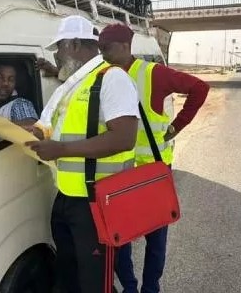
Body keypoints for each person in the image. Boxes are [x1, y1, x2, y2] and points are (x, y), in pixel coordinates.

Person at [26, 15, 140, 293]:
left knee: (94, 282)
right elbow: (47, 125)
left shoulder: (112, 78)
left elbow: (125, 137)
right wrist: (34, 133)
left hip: (96, 202)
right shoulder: (70, 84)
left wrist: (62, 149)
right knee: (69, 274)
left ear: (74, 43)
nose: (56, 54)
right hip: (67, 197)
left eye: (59, 48)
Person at [98, 23, 210, 293]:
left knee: (155, 238)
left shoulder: (153, 74)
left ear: (126, 46)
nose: (103, 55)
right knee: (118, 238)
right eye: (100, 49)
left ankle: (150, 288)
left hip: (151, 174)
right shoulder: (102, 73)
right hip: (118, 173)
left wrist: (177, 126)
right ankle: (130, 287)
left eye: (107, 49)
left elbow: (200, 88)